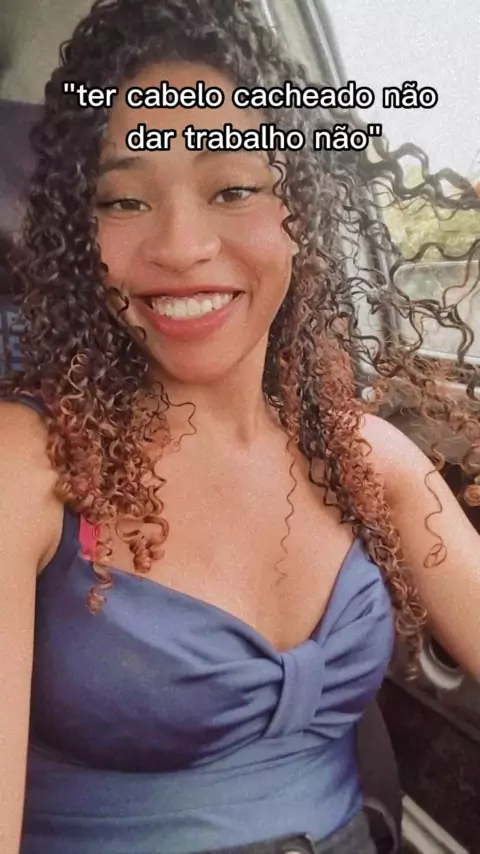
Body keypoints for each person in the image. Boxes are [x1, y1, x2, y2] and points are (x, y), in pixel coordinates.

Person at [1, 1, 480, 852]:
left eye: (232, 189)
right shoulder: (25, 465)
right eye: (123, 200)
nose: (181, 246)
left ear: (303, 214)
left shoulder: (370, 461)